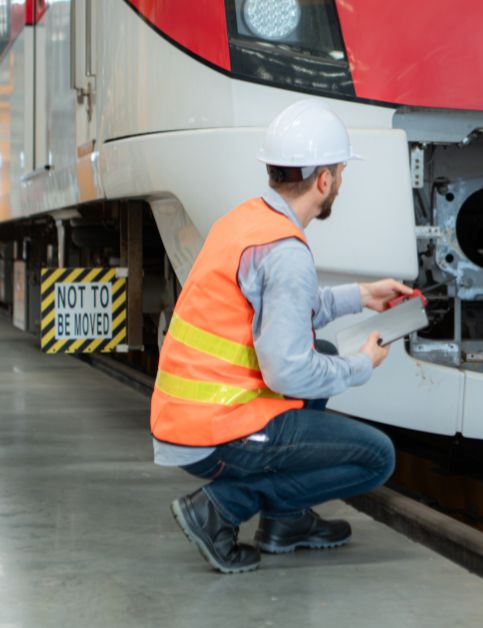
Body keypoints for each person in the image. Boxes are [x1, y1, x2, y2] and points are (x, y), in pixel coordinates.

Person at [151, 99, 410, 574]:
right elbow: (288, 368)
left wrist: (362, 296)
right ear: (325, 181)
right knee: (378, 457)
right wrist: (360, 366)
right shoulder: (286, 252)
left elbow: (290, 312)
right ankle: (223, 506)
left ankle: (286, 521)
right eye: (341, 172)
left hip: (189, 417)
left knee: (323, 349)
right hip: (217, 434)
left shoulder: (246, 221)